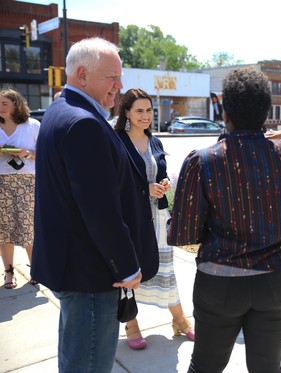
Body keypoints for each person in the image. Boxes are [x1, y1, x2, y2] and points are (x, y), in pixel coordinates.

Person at [168, 68, 281, 373]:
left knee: (204, 368)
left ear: (225, 111)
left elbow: (183, 234)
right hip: (278, 281)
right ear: (266, 112)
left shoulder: (203, 160)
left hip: (219, 284)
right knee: (267, 368)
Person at [31, 37, 159, 373]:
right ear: (82, 75)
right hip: (90, 272)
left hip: (74, 264)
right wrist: (127, 267)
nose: (120, 86)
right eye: (112, 77)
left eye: (120, 76)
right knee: (88, 364)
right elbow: (99, 210)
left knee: (77, 357)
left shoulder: (61, 112)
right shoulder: (84, 123)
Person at [114, 88, 195, 350]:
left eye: (149, 110)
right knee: (132, 269)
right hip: (132, 219)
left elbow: (157, 172)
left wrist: (163, 183)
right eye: (139, 110)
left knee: (166, 269)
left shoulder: (155, 141)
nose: (145, 115)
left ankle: (180, 320)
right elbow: (112, 184)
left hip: (158, 217)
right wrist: (143, 189)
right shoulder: (116, 141)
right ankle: (131, 324)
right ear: (126, 112)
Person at [0, 88, 40, 289]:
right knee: (4, 229)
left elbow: (46, 154)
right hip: (1, 181)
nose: (0, 108)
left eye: (4, 103)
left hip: (28, 181)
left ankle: (36, 269)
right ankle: (9, 273)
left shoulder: (32, 126)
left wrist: (27, 154)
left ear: (16, 104)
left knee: (29, 227)